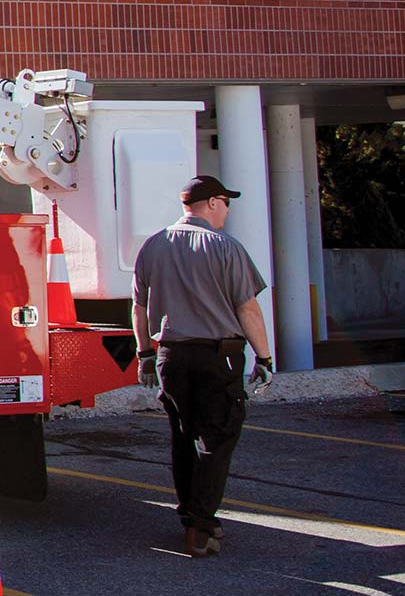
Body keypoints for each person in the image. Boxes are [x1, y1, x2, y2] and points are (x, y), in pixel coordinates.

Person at [131, 175, 276, 558]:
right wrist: (264, 358)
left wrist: (145, 354)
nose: (228, 210)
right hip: (219, 356)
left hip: (171, 357)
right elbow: (247, 307)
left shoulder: (153, 246)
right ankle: (200, 523)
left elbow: (140, 308)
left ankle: (191, 515)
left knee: (184, 434)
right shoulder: (224, 247)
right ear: (212, 203)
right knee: (217, 436)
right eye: (226, 202)